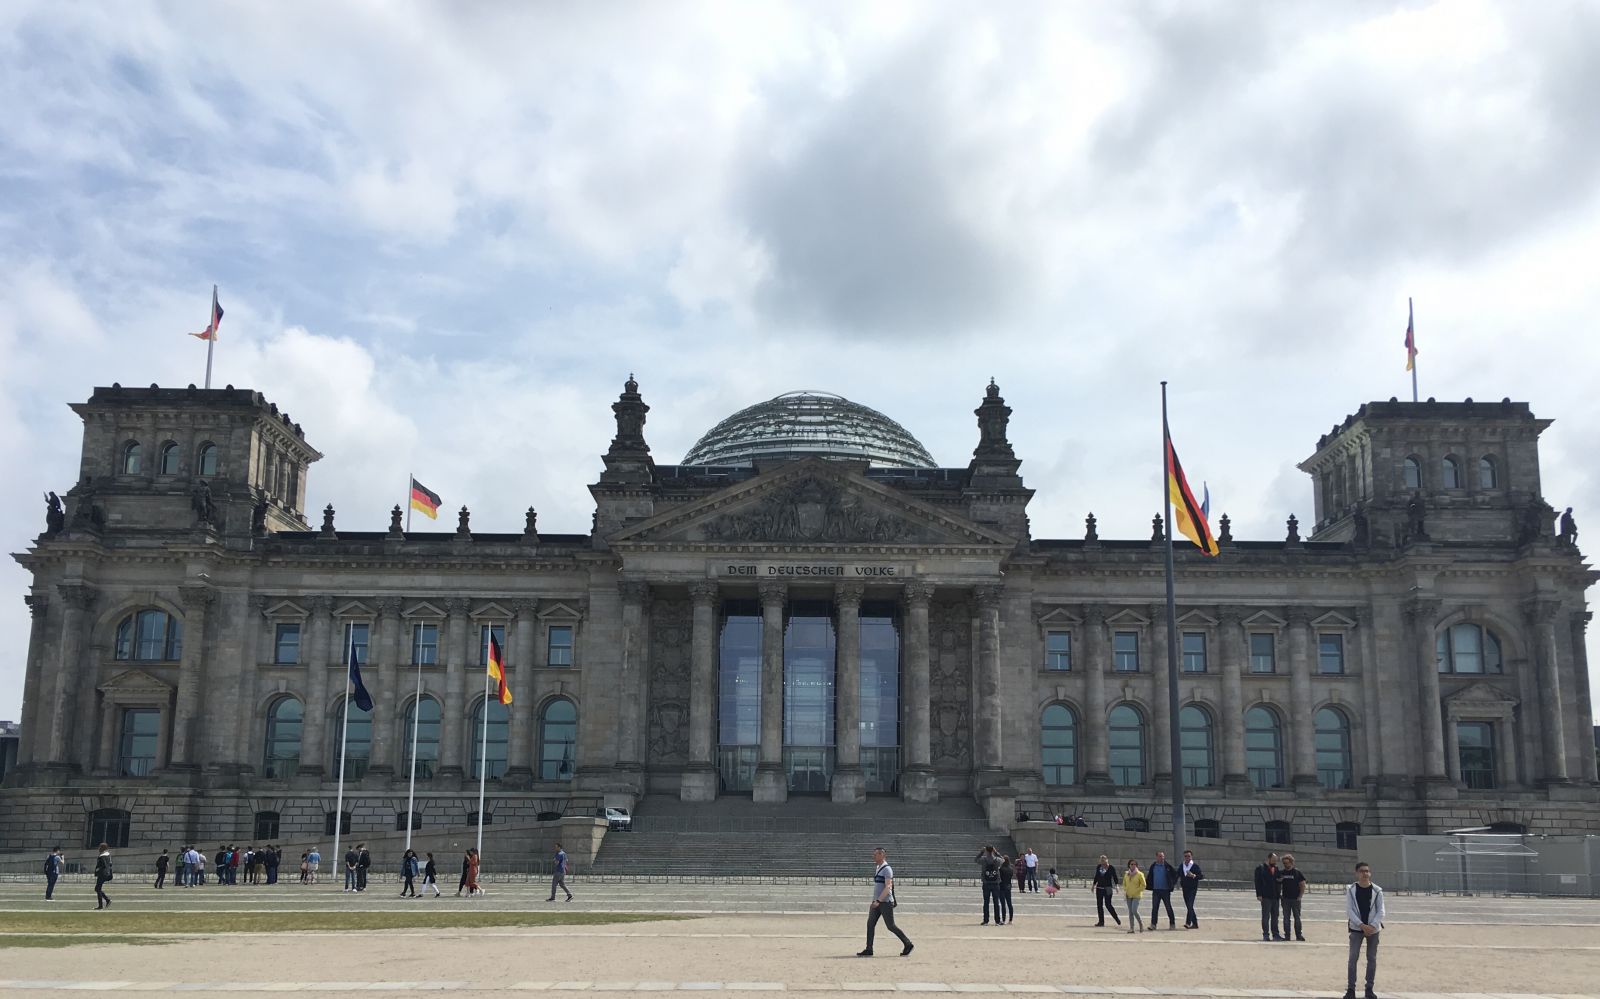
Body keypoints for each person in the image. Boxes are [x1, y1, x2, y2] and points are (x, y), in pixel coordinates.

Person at [857, 846, 913, 957]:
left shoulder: (887, 869)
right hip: (877, 902)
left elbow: (888, 887)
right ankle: (869, 948)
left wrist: (878, 900)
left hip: (884, 902)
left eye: (875, 854)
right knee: (870, 924)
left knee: (890, 926)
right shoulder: (878, 867)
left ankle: (908, 944)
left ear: (882, 855)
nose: (873, 856)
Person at [1344, 861, 1385, 999]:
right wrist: (1361, 925)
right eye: (1362, 871)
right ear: (1356, 873)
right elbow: (1349, 910)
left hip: (1373, 930)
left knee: (1371, 958)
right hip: (1356, 928)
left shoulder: (1377, 890)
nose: (1365, 874)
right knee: (1352, 958)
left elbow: (1381, 911)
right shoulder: (1351, 890)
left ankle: (1369, 989)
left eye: (1367, 871)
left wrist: (1372, 925)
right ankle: (1351, 989)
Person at [1278, 854, 1308, 942]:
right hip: (1285, 899)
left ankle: (1299, 935)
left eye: (1287, 863)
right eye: (1284, 863)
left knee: (1297, 917)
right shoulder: (1282, 873)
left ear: (1291, 862)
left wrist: (1300, 896)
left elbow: (1302, 885)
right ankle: (1287, 935)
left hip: (1296, 899)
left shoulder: (1297, 873)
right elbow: (1277, 883)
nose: (1285, 865)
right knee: (1286, 918)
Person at [1254, 851, 1283, 941]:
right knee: (1266, 916)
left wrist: (1280, 880)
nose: (1275, 862)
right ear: (1269, 858)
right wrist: (1259, 894)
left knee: (1275, 916)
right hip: (1266, 896)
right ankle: (1266, 934)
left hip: (1275, 896)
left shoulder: (1276, 868)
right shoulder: (1260, 868)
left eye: (1276, 860)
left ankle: (1275, 934)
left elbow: (1278, 880)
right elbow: (1257, 882)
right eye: (1274, 860)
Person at [1147, 850, 1178, 929]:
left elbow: (1175, 875)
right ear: (1157, 857)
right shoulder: (1153, 866)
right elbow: (1149, 877)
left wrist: (1172, 884)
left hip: (1165, 890)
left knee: (1168, 907)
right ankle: (1153, 924)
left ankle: (1172, 924)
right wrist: (1149, 885)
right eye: (1160, 856)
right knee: (1155, 908)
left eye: (1163, 856)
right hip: (1156, 890)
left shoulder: (1167, 866)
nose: (1162, 858)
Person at [975, 845, 1003, 925]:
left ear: (986, 851)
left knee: (986, 902)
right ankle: (997, 920)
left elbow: (976, 860)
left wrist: (981, 852)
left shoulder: (983, 859)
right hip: (996, 883)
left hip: (986, 883)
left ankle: (986, 920)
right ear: (992, 850)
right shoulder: (997, 860)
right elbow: (1003, 860)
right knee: (996, 903)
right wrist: (996, 852)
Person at [1091, 854, 1121, 927]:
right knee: (1099, 905)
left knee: (1108, 905)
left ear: (1107, 860)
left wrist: (1117, 886)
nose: (1102, 861)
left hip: (1108, 888)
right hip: (1099, 888)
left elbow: (1115, 877)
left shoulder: (1111, 868)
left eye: (1104, 859)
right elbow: (1096, 876)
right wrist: (1093, 885)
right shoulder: (1099, 867)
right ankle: (1101, 922)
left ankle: (1116, 918)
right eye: (1101, 860)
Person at [1179, 849, 1203, 929]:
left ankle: (1188, 922)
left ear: (1191, 857)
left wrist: (1193, 875)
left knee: (1190, 905)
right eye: (1185, 856)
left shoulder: (1195, 866)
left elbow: (1201, 876)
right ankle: (1195, 923)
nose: (1187, 858)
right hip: (1185, 888)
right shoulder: (1181, 866)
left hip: (1192, 889)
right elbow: (1177, 874)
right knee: (1189, 906)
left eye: (1188, 856)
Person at [1122, 860, 1146, 934]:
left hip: (1136, 895)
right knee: (1130, 912)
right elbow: (1124, 884)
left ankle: (1140, 923)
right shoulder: (1127, 874)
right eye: (1131, 864)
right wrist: (1126, 890)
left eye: (1134, 864)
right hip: (1128, 895)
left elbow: (1143, 885)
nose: (1133, 865)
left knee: (1134, 910)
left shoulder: (1139, 874)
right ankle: (1131, 928)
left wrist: (1137, 890)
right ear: (1129, 865)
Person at [93, 842, 114, 910]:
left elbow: (102, 865)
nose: (98, 848)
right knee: (98, 889)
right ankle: (105, 901)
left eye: (100, 847)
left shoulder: (102, 856)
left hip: (102, 874)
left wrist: (97, 870)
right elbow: (110, 864)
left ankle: (102, 904)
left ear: (102, 848)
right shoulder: (108, 855)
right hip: (106, 874)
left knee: (97, 889)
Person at [998, 853, 1016, 924]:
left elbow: (999, 878)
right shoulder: (1011, 869)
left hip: (1002, 887)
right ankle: (1010, 920)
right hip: (1008, 886)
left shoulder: (1001, 869)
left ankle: (1003, 919)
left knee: (1003, 904)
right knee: (1009, 904)